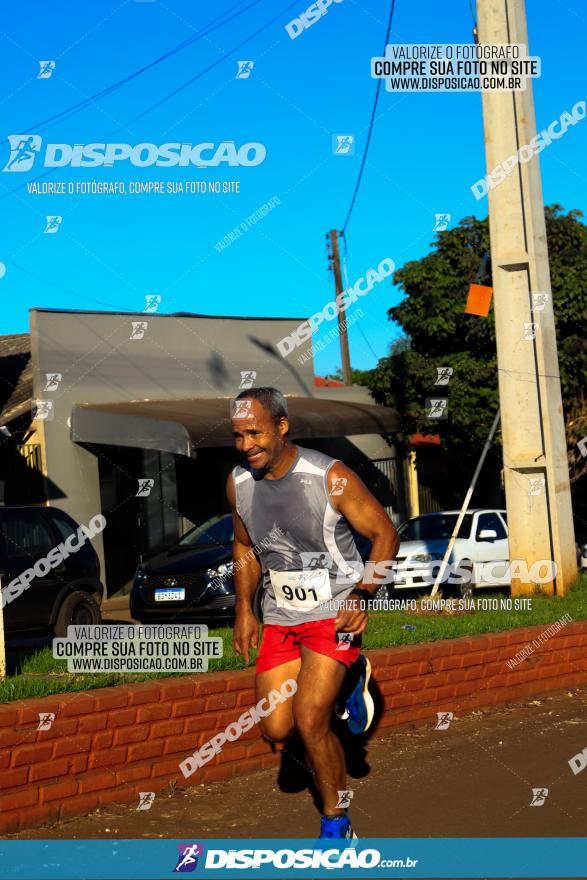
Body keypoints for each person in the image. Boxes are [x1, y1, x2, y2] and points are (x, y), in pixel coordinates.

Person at [227, 387, 399, 839]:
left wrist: (363, 592)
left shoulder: (329, 476)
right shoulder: (239, 483)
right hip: (281, 616)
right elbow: (244, 545)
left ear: (282, 427)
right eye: (238, 435)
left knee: (309, 718)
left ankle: (336, 820)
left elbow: (384, 533)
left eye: (255, 433)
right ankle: (350, 682)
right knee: (277, 727)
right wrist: (244, 608)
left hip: (334, 611)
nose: (247, 445)